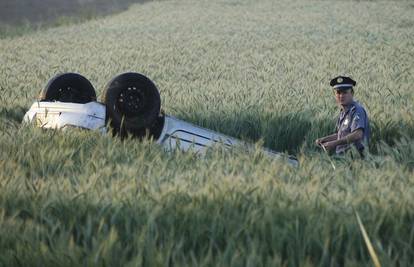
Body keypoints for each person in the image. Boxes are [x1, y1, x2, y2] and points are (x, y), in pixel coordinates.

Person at [315, 76, 370, 156]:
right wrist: (324, 139)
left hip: (355, 158)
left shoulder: (357, 110)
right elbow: (341, 135)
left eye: (344, 92)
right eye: (338, 92)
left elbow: (357, 134)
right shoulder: (343, 112)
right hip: (342, 157)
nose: (341, 96)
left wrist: (334, 143)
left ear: (352, 93)